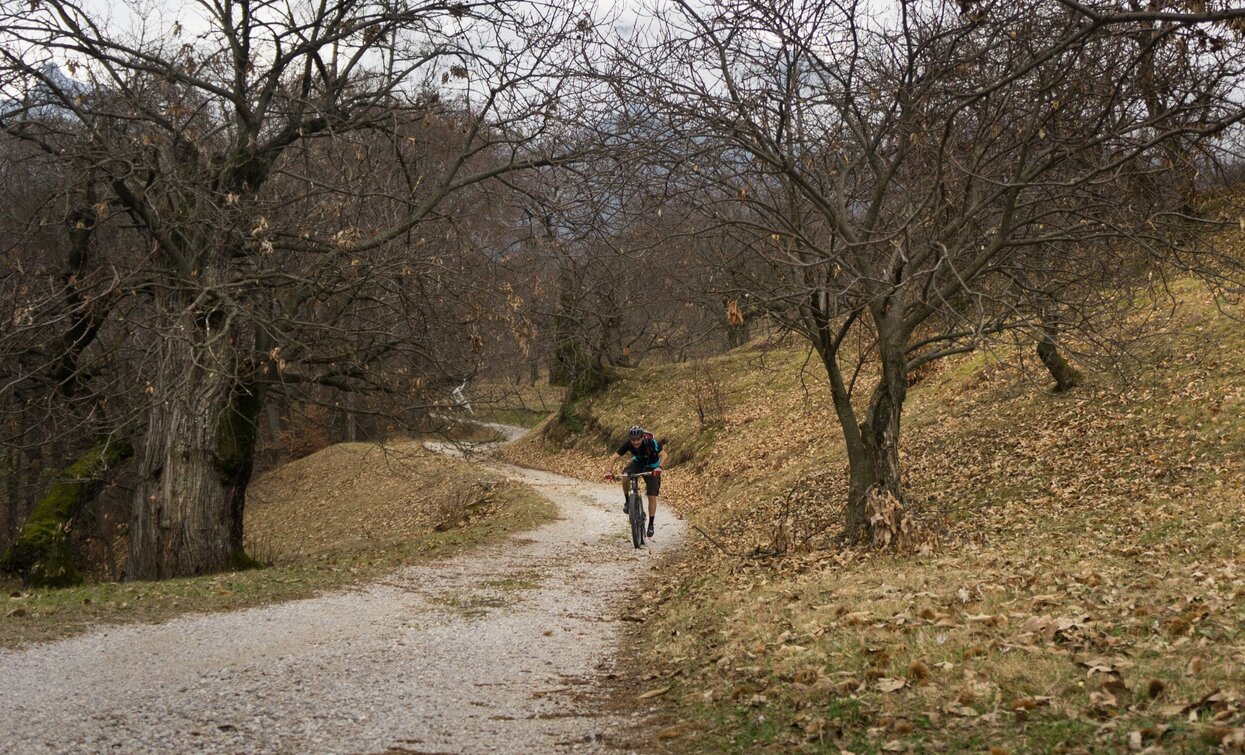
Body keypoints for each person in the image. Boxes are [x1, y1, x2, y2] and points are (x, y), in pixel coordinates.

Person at [603, 424, 666, 539]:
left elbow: (664, 455)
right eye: (633, 440)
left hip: (652, 467)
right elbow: (614, 457)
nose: (635, 442)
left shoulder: (651, 443)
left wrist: (659, 468)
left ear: (642, 438)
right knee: (625, 476)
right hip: (638, 463)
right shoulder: (628, 444)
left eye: (638, 440)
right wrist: (608, 471)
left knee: (652, 495)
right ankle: (628, 501)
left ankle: (651, 524)